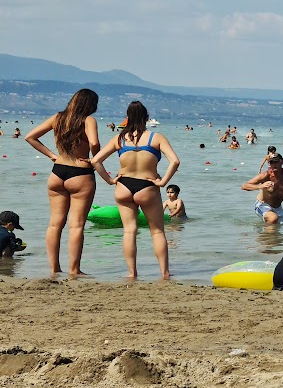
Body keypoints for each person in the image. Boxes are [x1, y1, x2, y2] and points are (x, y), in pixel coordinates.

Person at [25, 88, 113, 278]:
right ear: (91, 105)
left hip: (57, 172)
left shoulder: (58, 118)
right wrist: (93, 157)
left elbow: (30, 137)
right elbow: (95, 142)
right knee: (76, 225)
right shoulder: (88, 120)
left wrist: (52, 156)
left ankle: (54, 269)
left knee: (55, 225)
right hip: (80, 173)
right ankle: (74, 270)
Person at [90, 101, 180, 280]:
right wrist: (162, 182)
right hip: (147, 186)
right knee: (157, 232)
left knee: (129, 231)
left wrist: (109, 180)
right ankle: (164, 273)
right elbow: (175, 161)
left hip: (123, 185)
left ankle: (132, 273)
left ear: (128, 118)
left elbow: (95, 161)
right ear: (146, 118)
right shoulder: (156, 138)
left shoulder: (119, 139)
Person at [242, 154, 283, 224]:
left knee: (277, 230)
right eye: (271, 162)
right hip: (262, 205)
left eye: (276, 162)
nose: (274, 164)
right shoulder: (265, 175)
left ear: (282, 162)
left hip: (277, 207)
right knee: (273, 219)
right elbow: (244, 186)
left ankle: (261, 233)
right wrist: (260, 186)